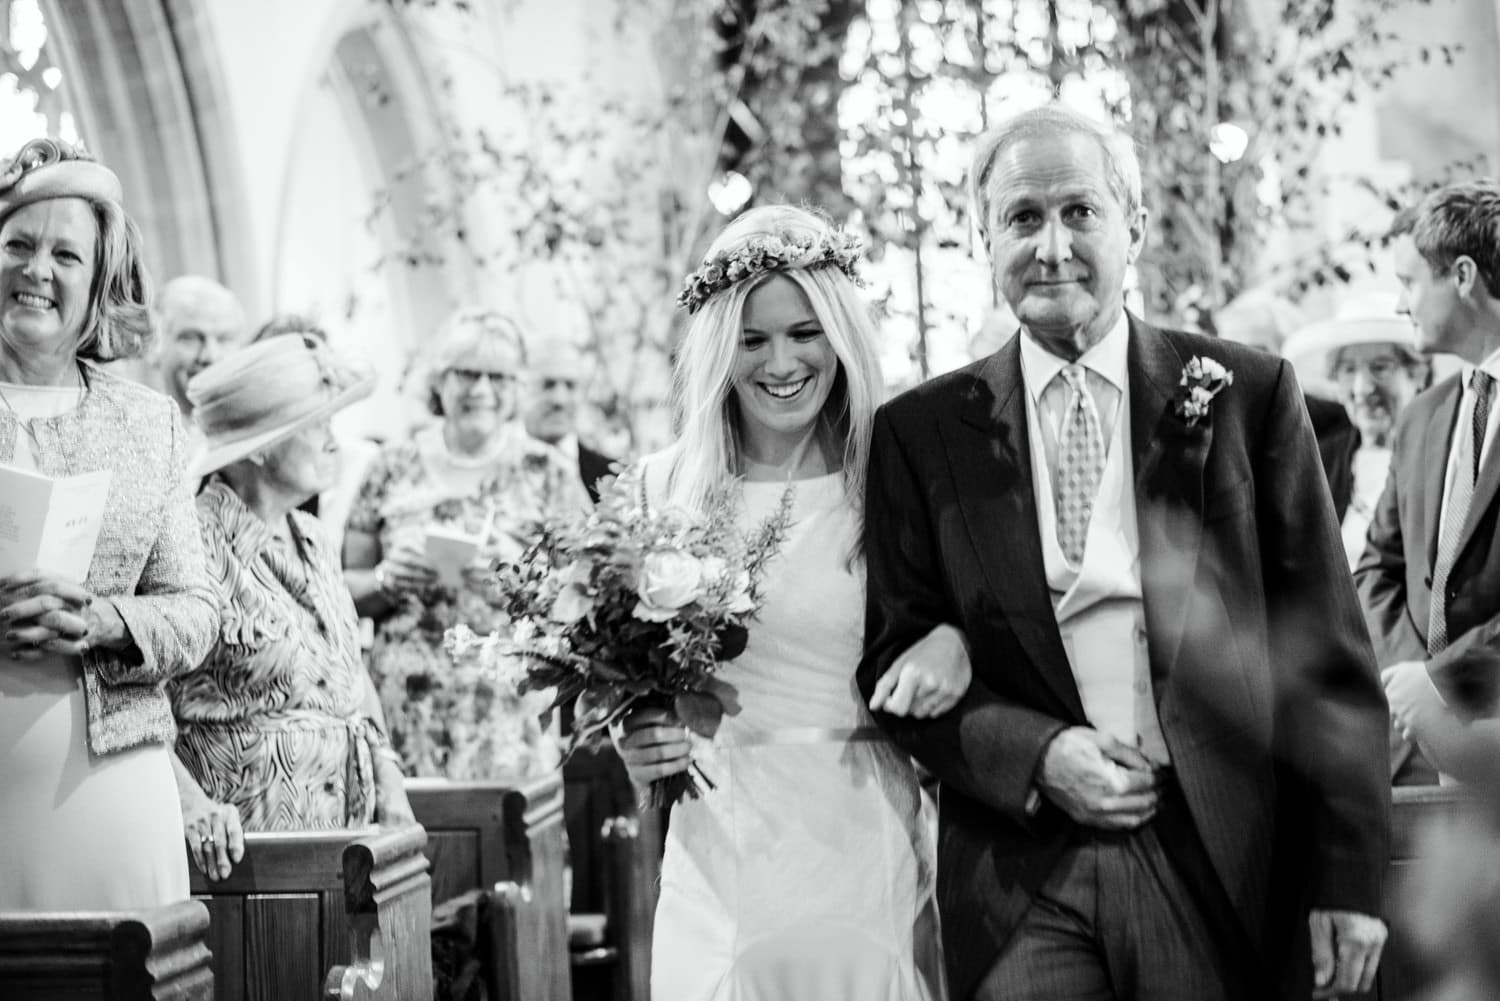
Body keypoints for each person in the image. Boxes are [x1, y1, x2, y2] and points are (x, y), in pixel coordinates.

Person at [857, 104, 1391, 1001]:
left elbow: (1326, 654)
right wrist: (1037, 755)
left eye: (1080, 212)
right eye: (1022, 219)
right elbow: (893, 666)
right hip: (1023, 869)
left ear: (1133, 225)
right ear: (985, 241)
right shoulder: (920, 433)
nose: (1052, 246)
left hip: (1212, 847)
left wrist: (1347, 878)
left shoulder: (1244, 396)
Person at [612, 204, 966, 1000]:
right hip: (716, 841)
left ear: (839, 334)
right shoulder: (660, 486)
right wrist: (634, 733)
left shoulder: (889, 476)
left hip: (859, 824)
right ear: (718, 347)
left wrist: (955, 641)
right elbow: (627, 670)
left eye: (805, 332)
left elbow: (958, 621)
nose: (782, 362)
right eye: (754, 338)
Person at [0, 137, 217, 909]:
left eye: (65, 255)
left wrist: (102, 618)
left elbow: (197, 612)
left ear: (98, 288)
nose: (35, 270)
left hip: (112, 788)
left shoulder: (149, 423)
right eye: (17, 244)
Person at [168, 334, 414, 882]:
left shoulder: (315, 538)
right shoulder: (190, 541)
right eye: (317, 424)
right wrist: (187, 803)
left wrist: (389, 775)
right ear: (261, 445)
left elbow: (351, 678)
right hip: (248, 867)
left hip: (347, 845)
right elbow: (136, 699)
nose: (334, 442)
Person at [344, 308, 588, 779]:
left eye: (497, 376)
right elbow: (339, 593)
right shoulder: (391, 466)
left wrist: (521, 586)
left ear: (517, 387)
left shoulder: (547, 472)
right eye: (466, 374)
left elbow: (588, 592)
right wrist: (385, 579)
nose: (480, 389)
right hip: (405, 707)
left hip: (506, 710)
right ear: (439, 382)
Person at [1356, 180, 1500, 787]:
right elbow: (1375, 568)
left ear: (1462, 275)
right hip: (1420, 745)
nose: (1400, 303)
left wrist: (1447, 680)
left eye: (1410, 282)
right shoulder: (1422, 416)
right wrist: (1413, 684)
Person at [1282, 304, 1434, 569]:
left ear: (1417, 375)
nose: (1363, 388)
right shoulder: (1317, 461)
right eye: (1349, 370)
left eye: (1380, 367)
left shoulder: (1440, 457)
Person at [1215, 287, 1363, 521]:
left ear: (1285, 354)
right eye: (1227, 351)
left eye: (1254, 351)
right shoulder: (1217, 430)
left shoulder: (1339, 425)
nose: (1237, 365)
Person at [521, 339, 616, 503]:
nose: (559, 400)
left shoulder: (614, 478)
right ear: (522, 388)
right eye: (548, 385)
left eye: (570, 386)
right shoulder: (492, 469)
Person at [150, 274, 249, 422]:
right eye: (192, 338)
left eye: (224, 339)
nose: (211, 356)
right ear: (154, 346)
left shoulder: (264, 429)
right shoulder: (138, 431)